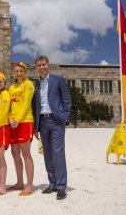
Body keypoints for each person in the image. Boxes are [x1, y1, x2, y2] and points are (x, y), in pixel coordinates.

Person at [33, 55, 71, 200]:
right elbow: (35, 106)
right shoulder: (36, 84)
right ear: (36, 68)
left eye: (44, 64)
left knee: (58, 152)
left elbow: (66, 100)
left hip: (56, 121)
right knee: (47, 154)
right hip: (43, 122)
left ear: (48, 65)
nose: (42, 67)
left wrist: (65, 117)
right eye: (39, 65)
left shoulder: (58, 80)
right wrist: (35, 127)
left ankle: (62, 186)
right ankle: (52, 183)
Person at [8, 61, 36, 196]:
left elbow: (26, 104)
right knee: (14, 153)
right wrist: (10, 118)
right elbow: (8, 106)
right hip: (13, 123)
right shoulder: (12, 87)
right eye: (16, 71)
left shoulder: (28, 84)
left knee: (26, 154)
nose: (19, 73)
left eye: (21, 71)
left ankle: (29, 185)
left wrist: (18, 119)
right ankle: (19, 182)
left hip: (24, 122)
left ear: (25, 72)